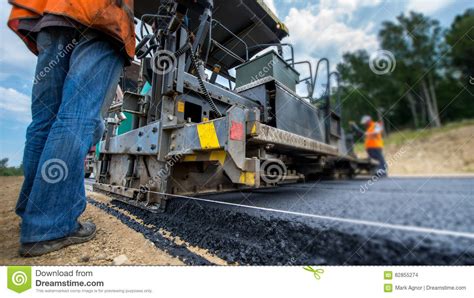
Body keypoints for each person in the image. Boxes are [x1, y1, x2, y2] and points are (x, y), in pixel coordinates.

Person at [8, 0, 135, 257]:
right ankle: (51, 225)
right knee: (77, 119)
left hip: (52, 15)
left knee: (44, 122)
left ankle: (34, 213)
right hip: (101, 16)